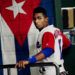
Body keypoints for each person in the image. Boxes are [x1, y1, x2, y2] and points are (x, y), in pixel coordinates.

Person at [15, 7, 71, 75]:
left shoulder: (46, 32)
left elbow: (49, 50)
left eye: (39, 18)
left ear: (46, 19)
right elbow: (67, 44)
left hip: (51, 71)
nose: (36, 21)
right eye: (34, 19)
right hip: (61, 70)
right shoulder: (56, 30)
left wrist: (29, 60)